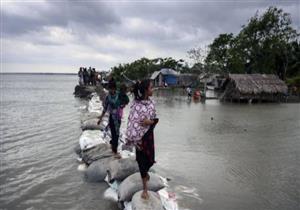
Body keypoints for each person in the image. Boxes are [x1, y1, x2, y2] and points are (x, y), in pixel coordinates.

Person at [126, 79, 159, 200]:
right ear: (145, 90)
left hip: (149, 136)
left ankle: (146, 174)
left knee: (150, 160)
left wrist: (148, 122)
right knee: (141, 162)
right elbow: (132, 121)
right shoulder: (135, 104)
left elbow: (155, 120)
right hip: (138, 138)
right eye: (151, 88)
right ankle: (145, 189)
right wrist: (134, 137)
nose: (153, 89)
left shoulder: (152, 104)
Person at [97, 78, 122, 158]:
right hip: (112, 118)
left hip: (118, 118)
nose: (110, 90)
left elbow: (124, 102)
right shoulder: (108, 97)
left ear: (114, 88)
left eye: (111, 88)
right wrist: (100, 118)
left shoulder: (119, 94)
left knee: (117, 135)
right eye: (109, 89)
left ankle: (114, 148)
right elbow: (105, 108)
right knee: (114, 134)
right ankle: (114, 151)